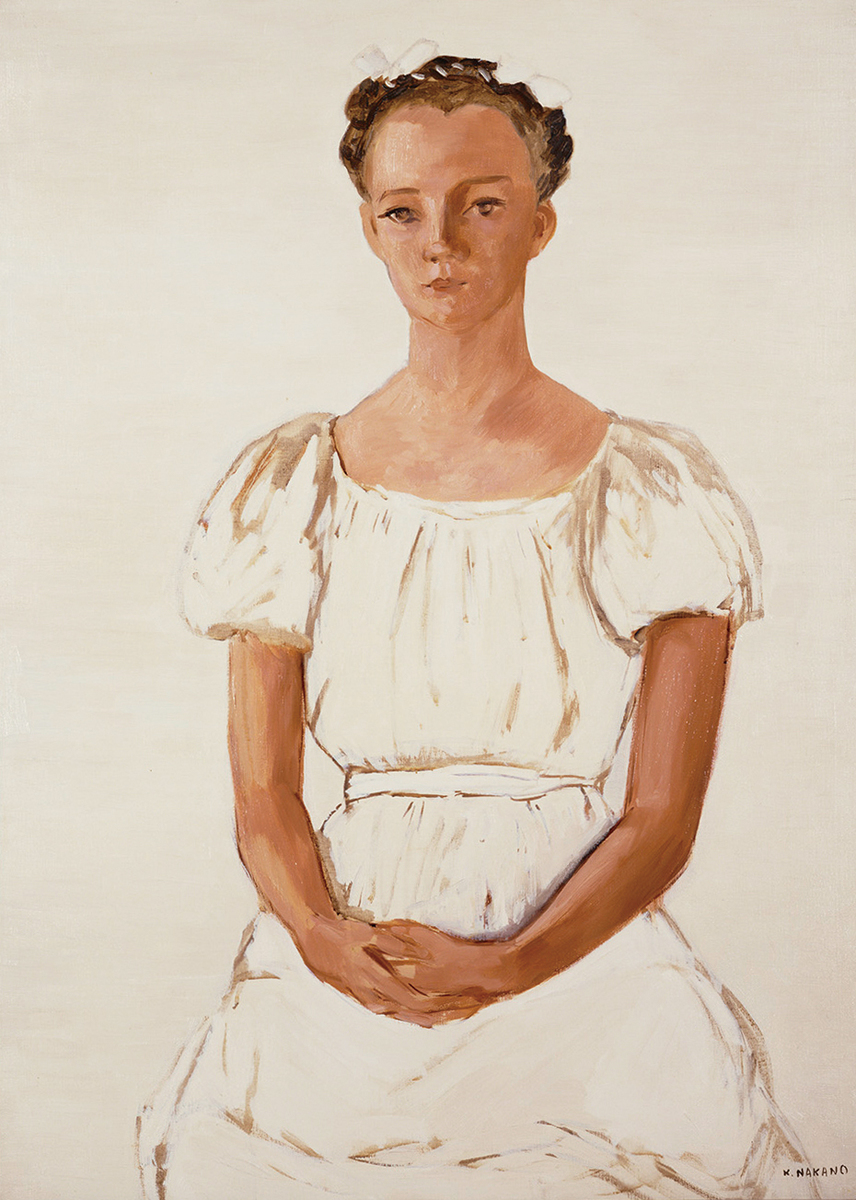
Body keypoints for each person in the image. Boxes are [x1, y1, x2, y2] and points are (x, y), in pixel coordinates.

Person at [138, 53, 820, 1200]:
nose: (440, 244)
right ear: (368, 229)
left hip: (577, 961)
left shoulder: (647, 486)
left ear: (540, 225)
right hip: (344, 964)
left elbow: (660, 815)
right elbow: (263, 795)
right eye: (402, 211)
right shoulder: (293, 484)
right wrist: (321, 939)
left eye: (482, 206)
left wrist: (509, 967)